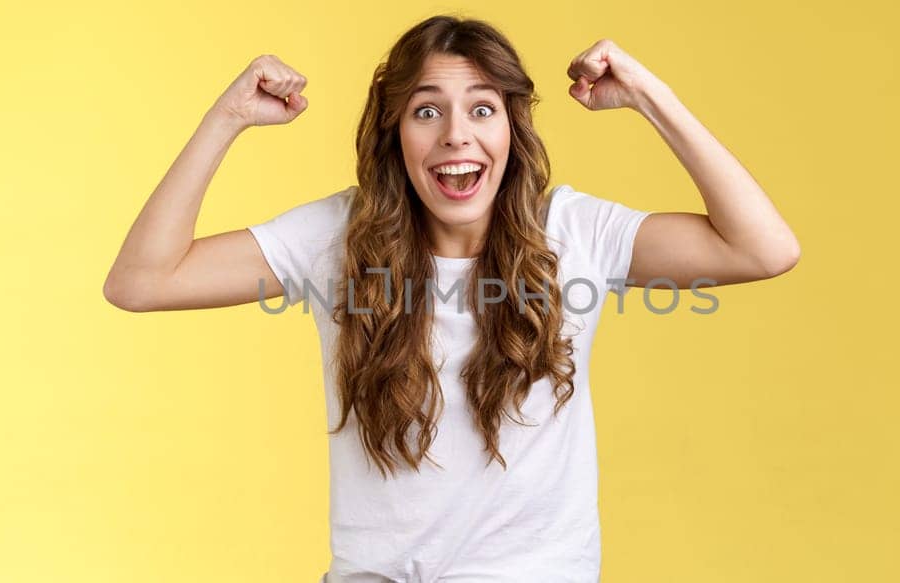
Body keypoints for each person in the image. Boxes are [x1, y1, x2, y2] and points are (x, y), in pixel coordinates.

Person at [103, 14, 799, 583]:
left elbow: (762, 248)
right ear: (394, 135)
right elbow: (141, 281)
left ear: (512, 130)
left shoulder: (574, 234)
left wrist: (647, 94)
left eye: (482, 109)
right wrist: (227, 117)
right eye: (426, 111)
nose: (455, 135)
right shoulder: (337, 239)